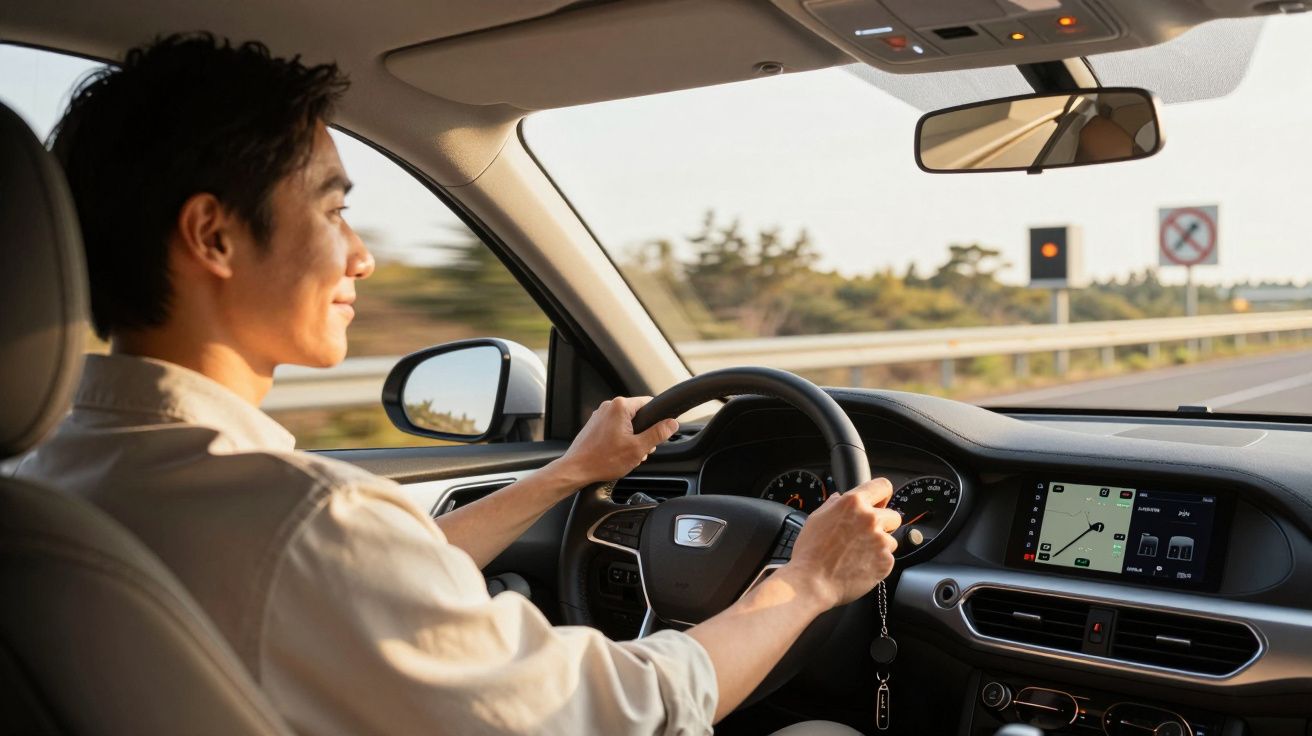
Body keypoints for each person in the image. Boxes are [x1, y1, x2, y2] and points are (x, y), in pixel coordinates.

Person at [18, 34, 902, 735]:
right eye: (333, 210)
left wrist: (564, 476)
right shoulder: (303, 520)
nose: (360, 255)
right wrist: (806, 584)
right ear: (213, 236)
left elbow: (360, 585)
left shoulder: (64, 475)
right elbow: (619, 712)